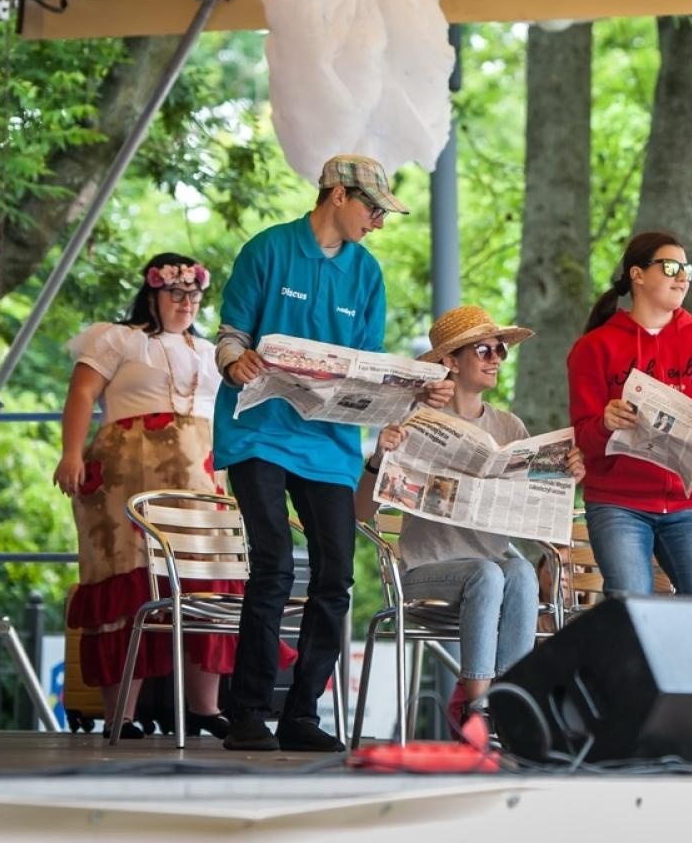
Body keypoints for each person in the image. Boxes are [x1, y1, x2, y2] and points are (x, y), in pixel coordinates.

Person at [212, 155, 451, 752]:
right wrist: (233, 364)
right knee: (271, 565)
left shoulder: (367, 274)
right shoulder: (267, 250)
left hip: (330, 443)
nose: (378, 221)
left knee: (335, 578)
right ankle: (245, 713)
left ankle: (301, 715)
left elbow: (367, 368)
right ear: (337, 195)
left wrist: (416, 383)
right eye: (372, 209)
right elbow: (231, 336)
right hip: (259, 429)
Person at [365, 305, 584, 737]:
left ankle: (510, 698)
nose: (496, 358)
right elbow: (360, 514)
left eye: (500, 349)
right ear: (450, 360)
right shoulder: (416, 422)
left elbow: (530, 503)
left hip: (493, 571)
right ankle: (478, 709)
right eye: (483, 349)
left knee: (519, 570)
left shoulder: (509, 426)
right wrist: (377, 457)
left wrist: (566, 474)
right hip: (424, 572)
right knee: (488, 573)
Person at [54, 253, 237, 740]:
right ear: (153, 293)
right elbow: (80, 395)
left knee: (206, 582)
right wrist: (71, 454)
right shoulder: (119, 339)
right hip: (125, 479)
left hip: (199, 481)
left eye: (194, 295)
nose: (186, 303)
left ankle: (204, 706)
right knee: (127, 584)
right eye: (176, 294)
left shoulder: (211, 351)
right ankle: (121, 714)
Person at [567, 231, 692, 598]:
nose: (682, 276)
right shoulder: (594, 347)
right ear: (637, 274)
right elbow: (582, 439)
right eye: (671, 267)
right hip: (617, 502)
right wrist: (605, 423)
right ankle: (628, 659)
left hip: (689, 505)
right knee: (629, 599)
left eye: (686, 268)